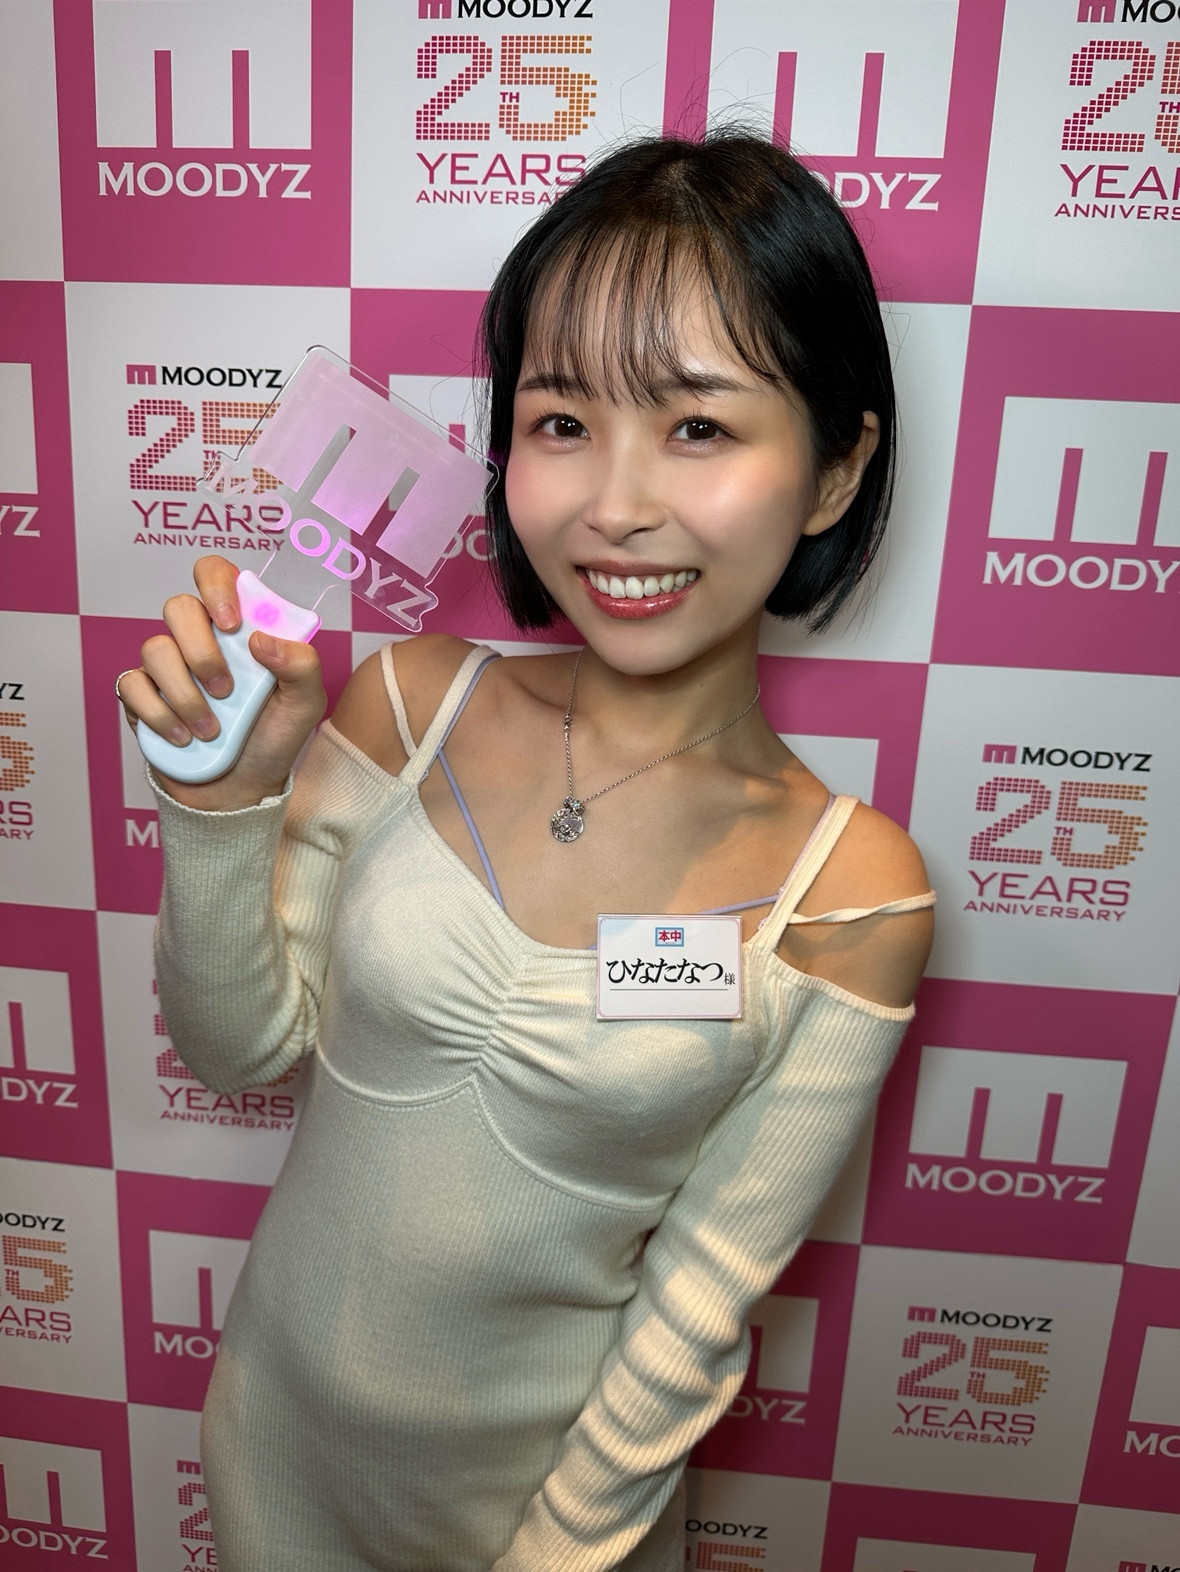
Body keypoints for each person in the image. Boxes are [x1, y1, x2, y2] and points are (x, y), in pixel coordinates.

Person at [117, 132, 935, 1572]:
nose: (614, 504)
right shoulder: (409, 704)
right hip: (272, 1441)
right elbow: (235, 1050)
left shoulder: (851, 892)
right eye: (561, 421)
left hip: (536, 1524)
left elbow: (693, 1315)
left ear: (832, 469)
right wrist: (222, 802)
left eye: (699, 426)